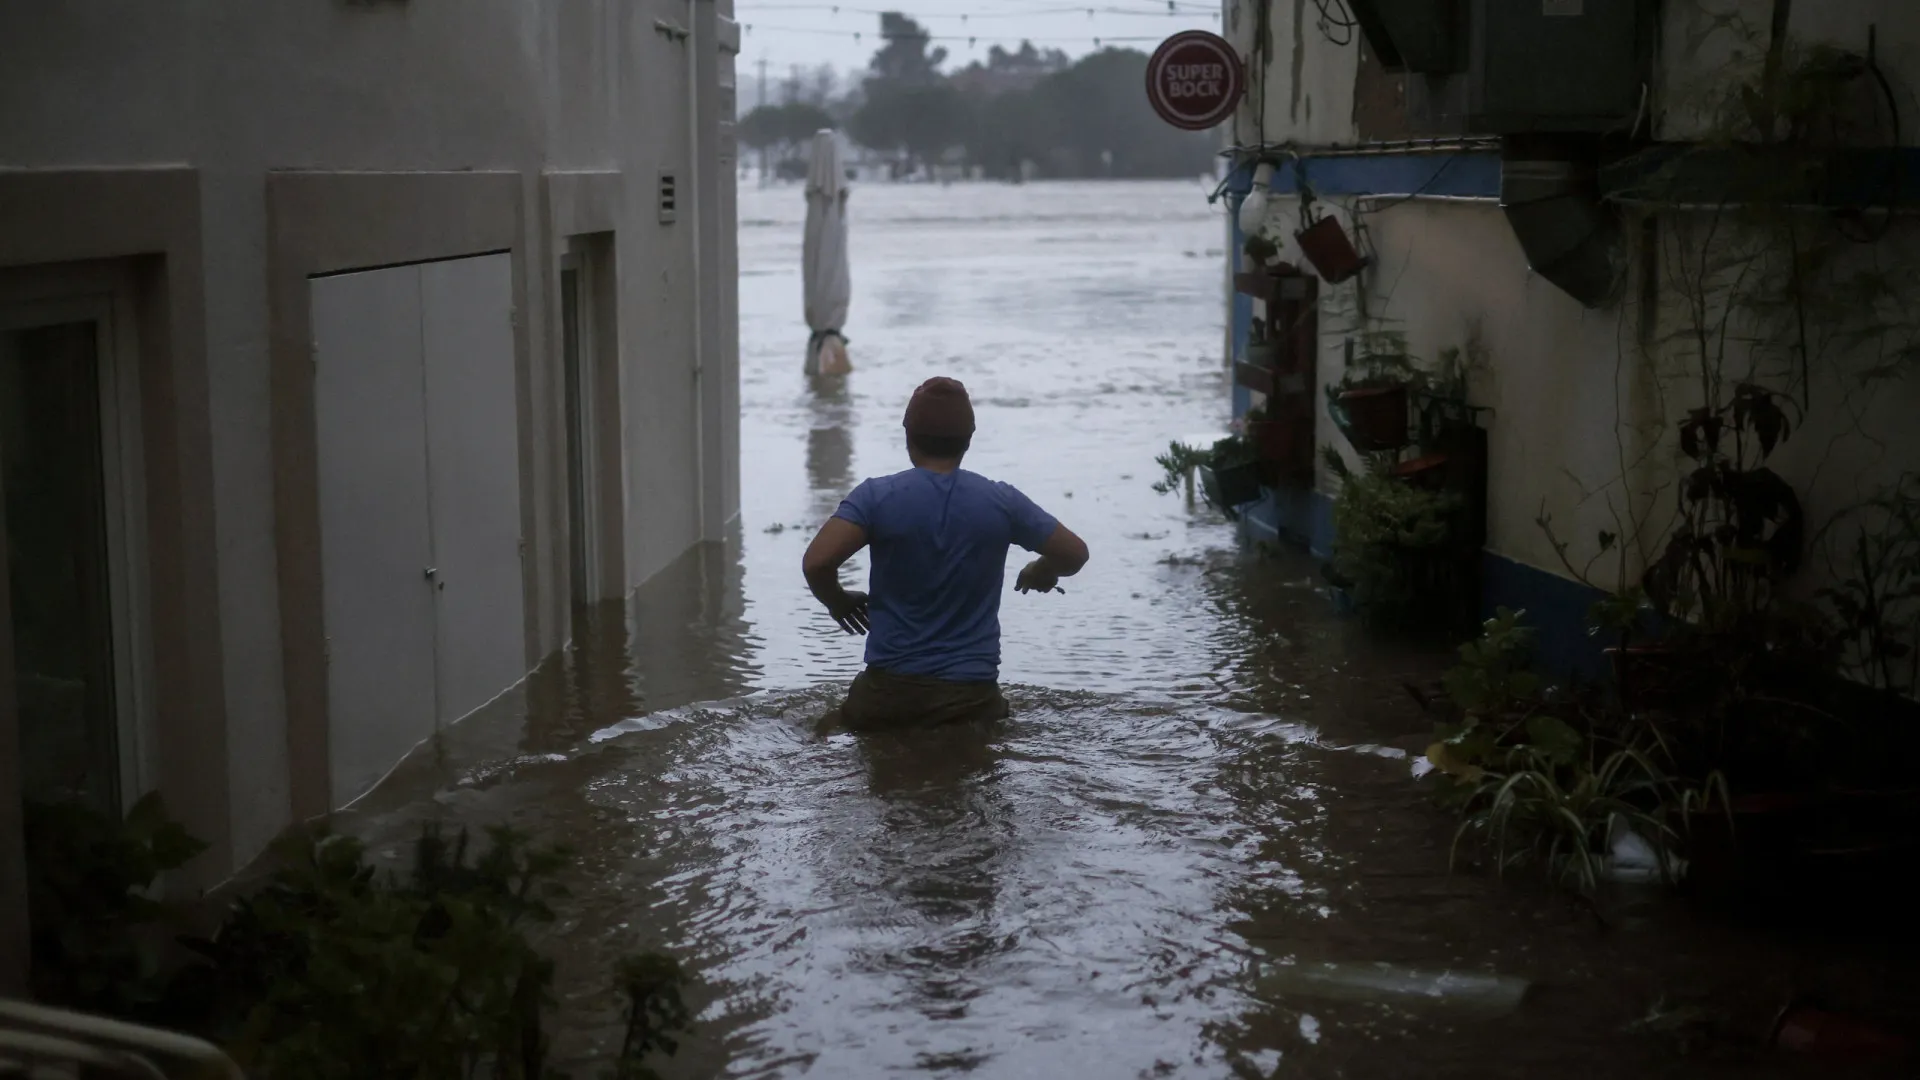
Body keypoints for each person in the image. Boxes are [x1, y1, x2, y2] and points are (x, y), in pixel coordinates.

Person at [802, 376, 1089, 732]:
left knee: (818, 733)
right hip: (972, 700)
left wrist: (839, 601)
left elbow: (817, 562)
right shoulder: (1001, 502)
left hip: (885, 697)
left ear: (908, 437)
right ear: (968, 440)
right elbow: (1075, 554)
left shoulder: (876, 497)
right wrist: (1042, 570)